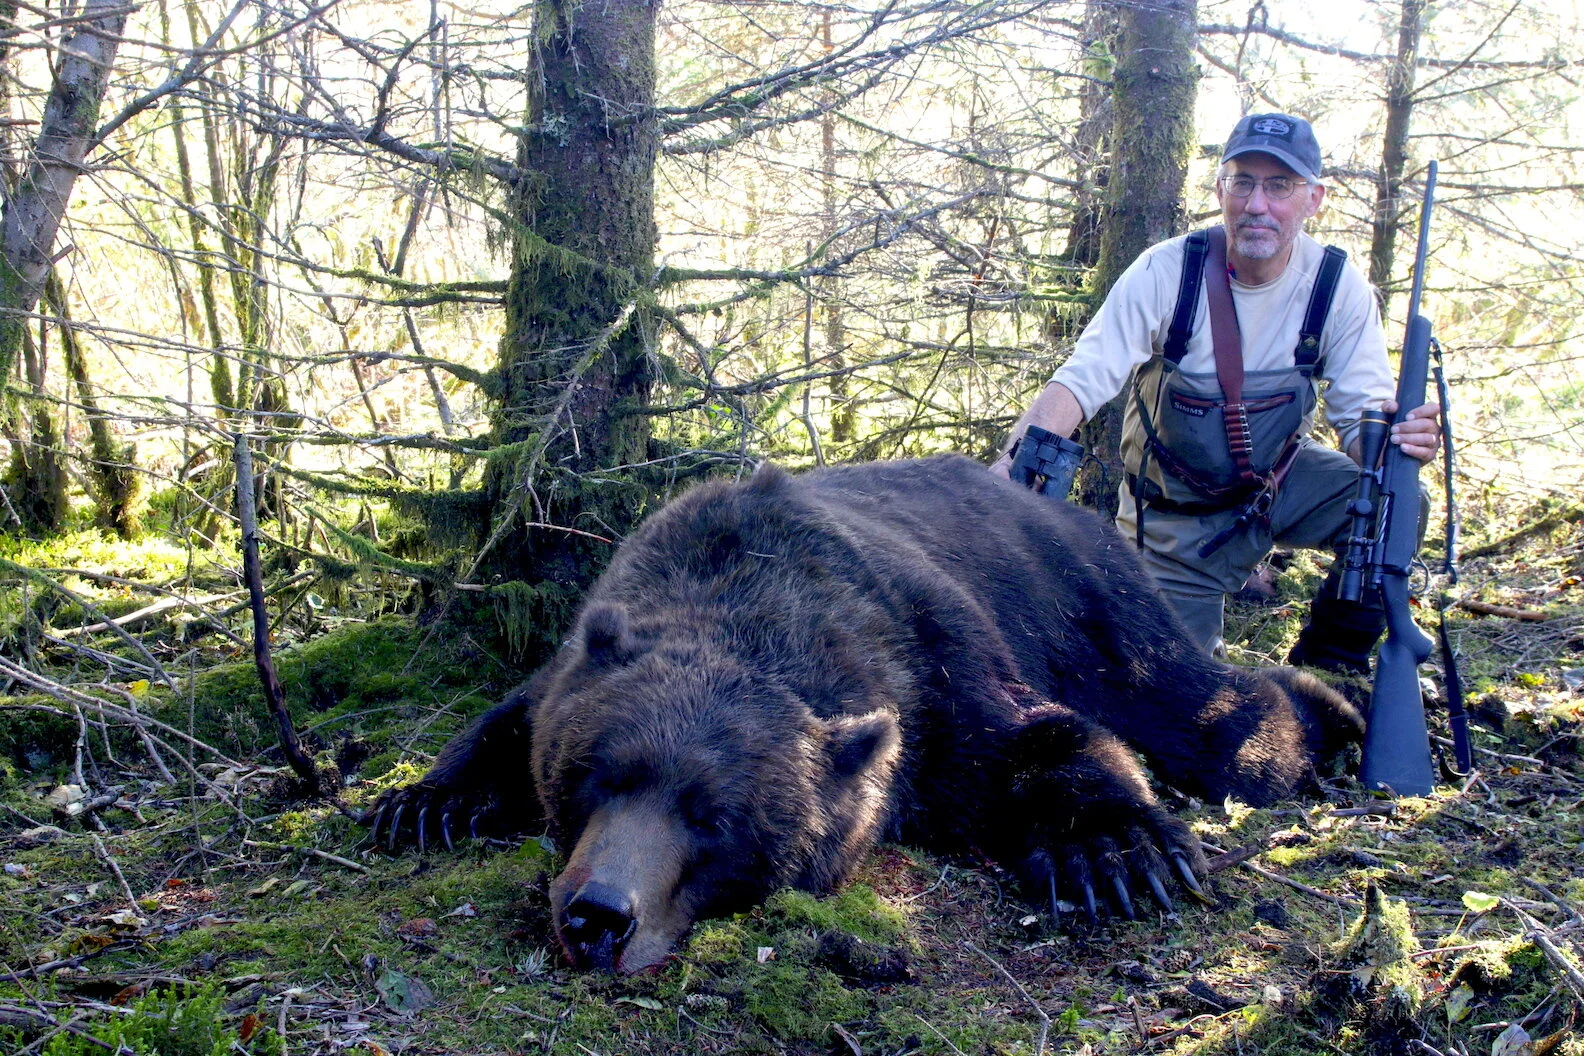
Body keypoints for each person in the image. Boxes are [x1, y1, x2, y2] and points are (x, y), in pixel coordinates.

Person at [991, 113, 1442, 673]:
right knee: (1178, 693)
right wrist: (1002, 477)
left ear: (1313, 199)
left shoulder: (1335, 287)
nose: (1258, 204)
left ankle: (1330, 666)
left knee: (1397, 503)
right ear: (1220, 189)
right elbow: (1083, 380)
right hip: (1176, 522)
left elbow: (1361, 420)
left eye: (1280, 186)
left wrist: (1401, 444)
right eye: (1243, 181)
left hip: (1274, 490)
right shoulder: (1167, 274)